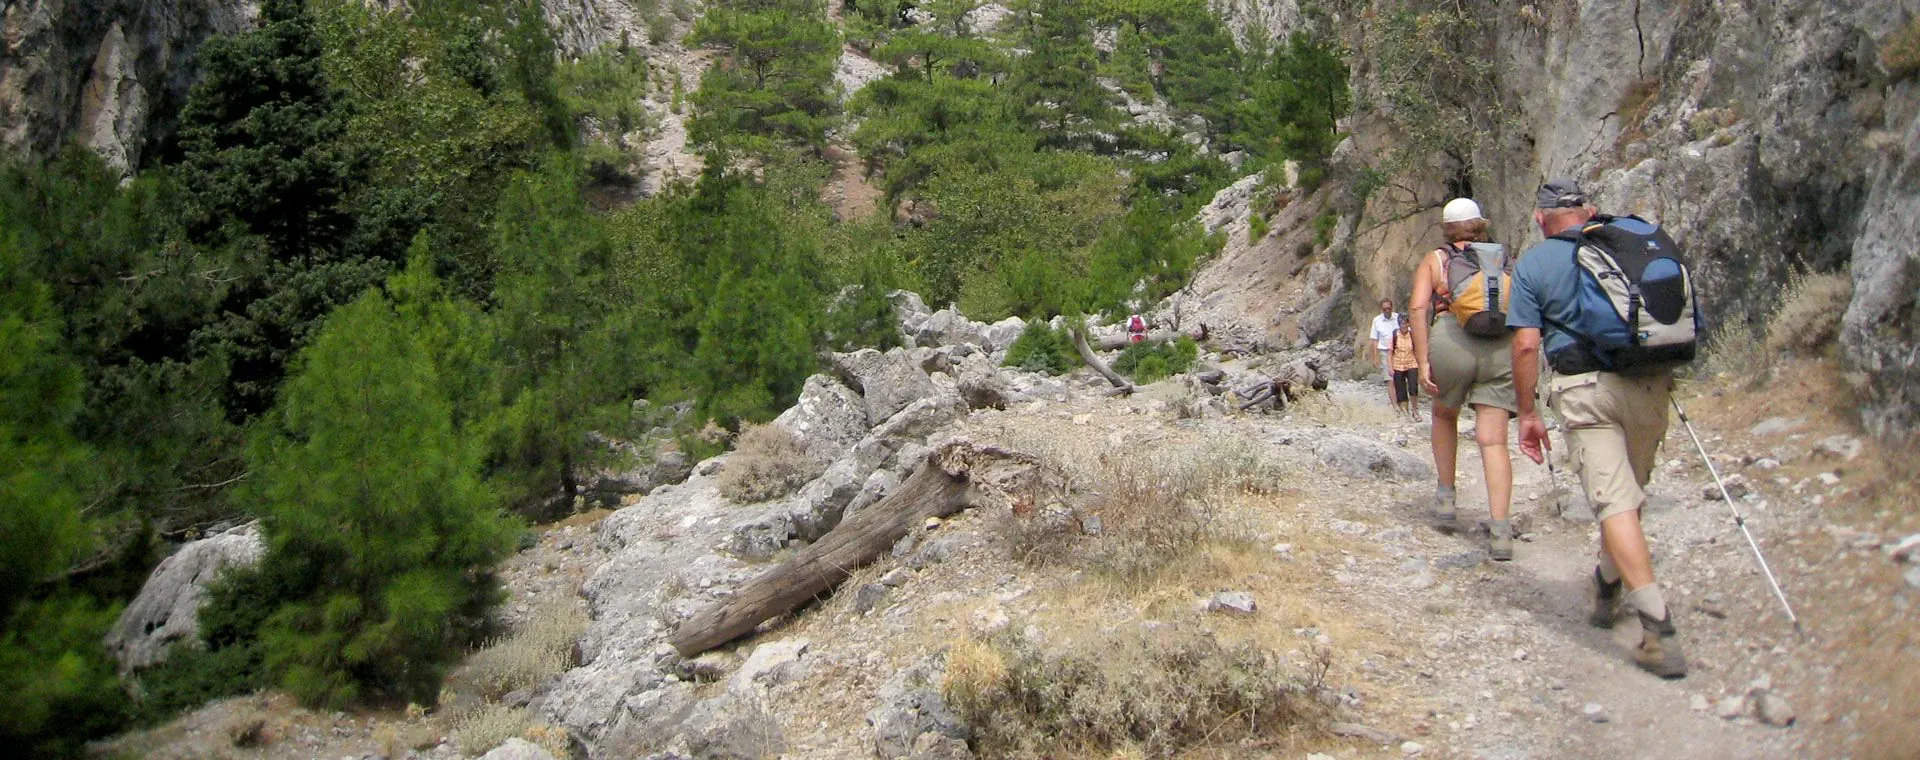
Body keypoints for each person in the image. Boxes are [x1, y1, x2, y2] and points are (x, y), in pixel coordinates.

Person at [1508, 178, 1688, 679]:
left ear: (1541, 219)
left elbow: (1526, 345)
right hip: (1650, 383)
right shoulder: (1625, 246)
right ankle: (1607, 588)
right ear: (1588, 210)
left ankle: (1658, 630)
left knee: (1614, 502)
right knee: (1628, 495)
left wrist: (1527, 413)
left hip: (1586, 393)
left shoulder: (1535, 264)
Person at [1410, 197, 1517, 560]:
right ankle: (1501, 530)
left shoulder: (1437, 259)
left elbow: (1418, 308)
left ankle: (1445, 497)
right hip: (1501, 346)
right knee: (1494, 440)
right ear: (1480, 225)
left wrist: (1422, 360)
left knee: (1444, 414)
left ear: (1447, 228)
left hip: (1451, 339)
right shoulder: (1501, 259)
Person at [1389, 314, 1421, 421]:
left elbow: (1417, 350)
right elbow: (1390, 353)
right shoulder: (1394, 335)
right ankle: (1405, 412)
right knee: (1401, 390)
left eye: (1405, 323)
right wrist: (1390, 367)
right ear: (1399, 324)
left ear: (1408, 324)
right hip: (1398, 365)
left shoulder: (1412, 335)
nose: (1404, 326)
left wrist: (1421, 365)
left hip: (1411, 363)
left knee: (1413, 388)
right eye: (1402, 323)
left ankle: (1415, 411)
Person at [1368, 299, 1400, 406]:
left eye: (1389, 308)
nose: (1387, 311)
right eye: (1384, 309)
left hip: (1399, 351)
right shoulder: (1377, 321)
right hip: (1385, 352)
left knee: (1399, 379)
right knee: (1390, 379)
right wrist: (1375, 357)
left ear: (1392, 308)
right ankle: (1395, 407)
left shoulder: (1398, 318)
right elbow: (1374, 340)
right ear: (1381, 309)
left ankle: (1402, 403)